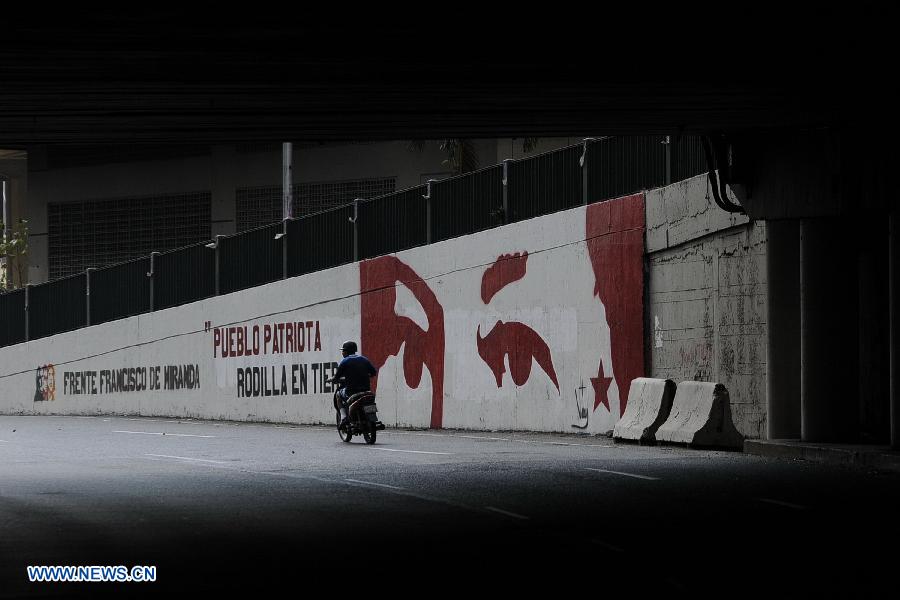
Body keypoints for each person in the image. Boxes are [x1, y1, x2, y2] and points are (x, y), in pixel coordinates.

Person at [328, 341, 377, 427]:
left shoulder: (345, 362)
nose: (342, 353)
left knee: (338, 395)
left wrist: (331, 380)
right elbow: (373, 373)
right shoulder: (364, 359)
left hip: (351, 392)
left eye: (343, 351)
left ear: (346, 352)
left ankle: (343, 418)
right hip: (366, 391)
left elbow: (337, 377)